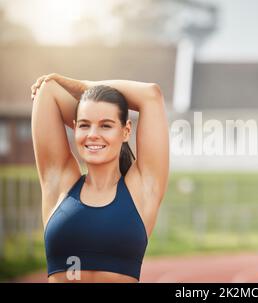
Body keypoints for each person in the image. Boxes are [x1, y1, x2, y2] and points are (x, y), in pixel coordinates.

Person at [30, 74, 169, 282]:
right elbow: (48, 89)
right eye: (84, 125)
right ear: (74, 127)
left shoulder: (141, 190)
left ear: (126, 131)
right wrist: (91, 106)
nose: (93, 134)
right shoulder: (59, 183)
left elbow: (151, 95)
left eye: (106, 125)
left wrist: (84, 87)